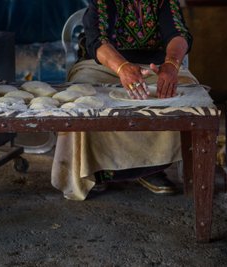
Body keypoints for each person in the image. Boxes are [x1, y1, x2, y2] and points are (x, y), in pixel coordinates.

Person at [51, 0, 199, 200]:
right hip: (103, 65)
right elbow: (97, 39)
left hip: (154, 66)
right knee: (84, 96)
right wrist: (122, 67)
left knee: (184, 94)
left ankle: (151, 169)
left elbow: (178, 33)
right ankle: (96, 170)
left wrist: (171, 65)